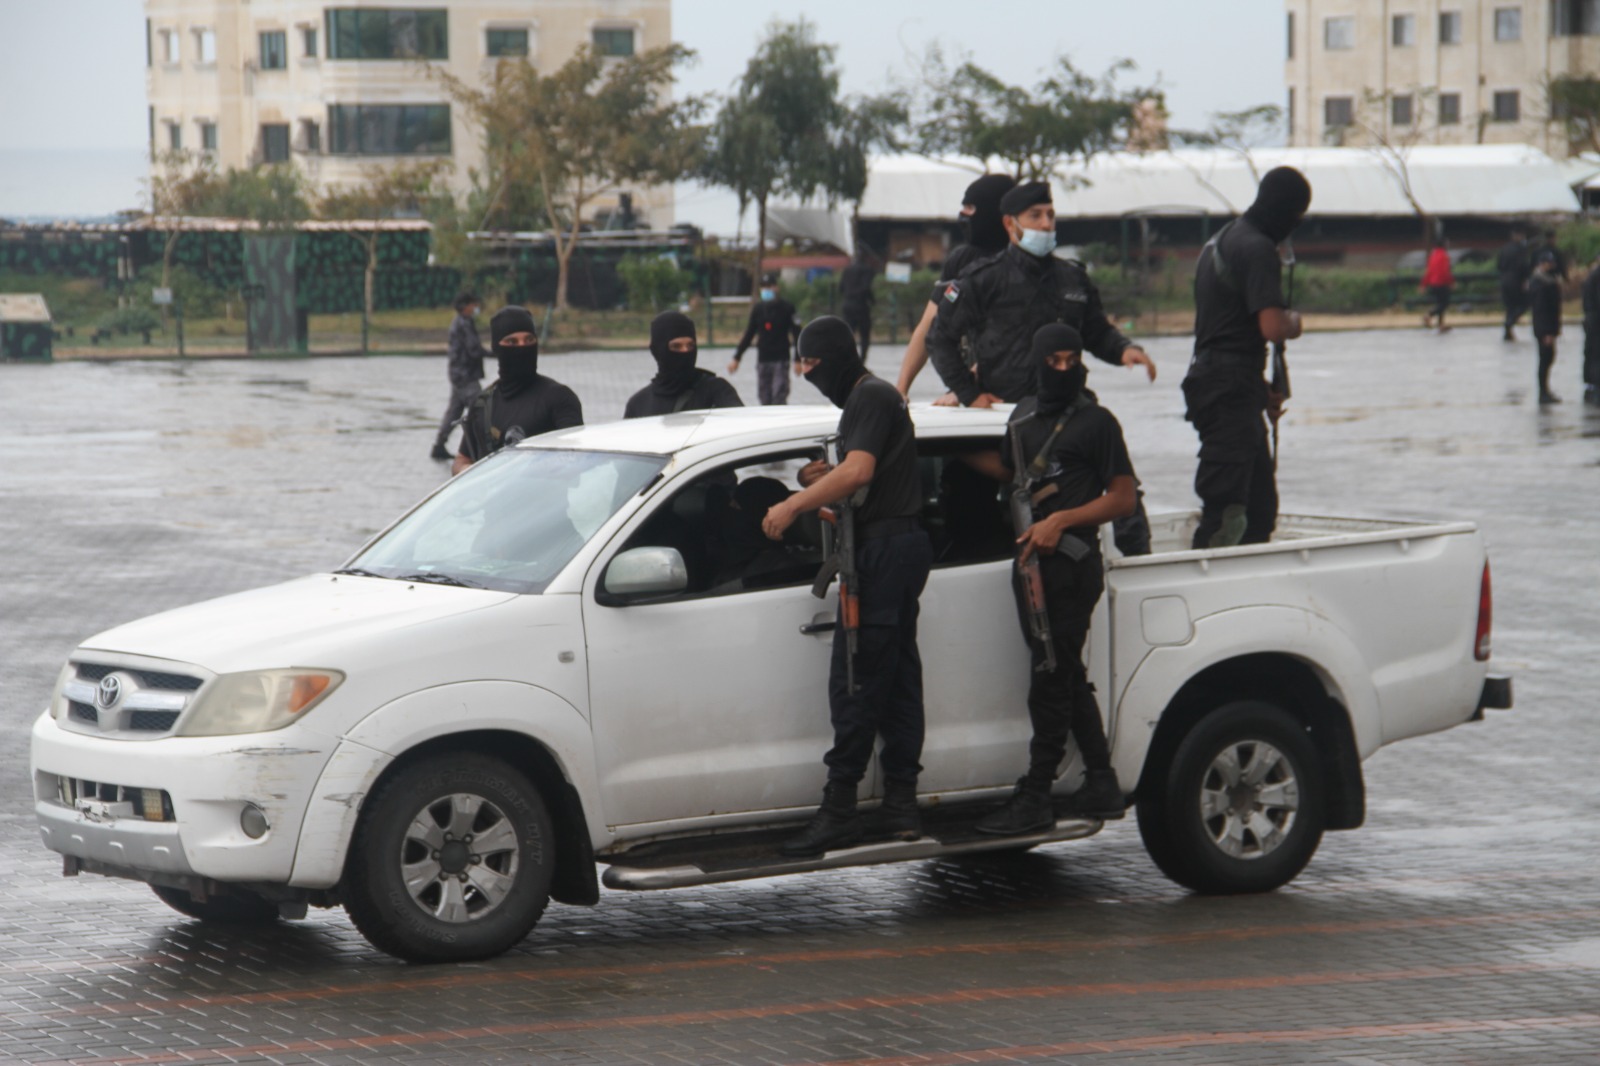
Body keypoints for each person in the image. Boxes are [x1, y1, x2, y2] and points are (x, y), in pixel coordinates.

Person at [760, 316, 934, 857]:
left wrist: (793, 503)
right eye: (801, 365)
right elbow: (862, 483)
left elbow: (858, 473)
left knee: (857, 678)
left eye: (812, 363)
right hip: (888, 546)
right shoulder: (866, 401)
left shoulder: (872, 397)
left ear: (836, 356)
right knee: (898, 677)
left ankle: (840, 810)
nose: (808, 373)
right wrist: (822, 485)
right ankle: (901, 807)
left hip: (885, 555)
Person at [959, 324, 1137, 832]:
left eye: (1072, 360)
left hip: (1072, 568)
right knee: (1063, 673)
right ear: (1037, 364)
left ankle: (1036, 793)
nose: (1064, 369)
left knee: (1049, 679)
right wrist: (944, 441)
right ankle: (1101, 781)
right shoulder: (1022, 416)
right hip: (1033, 566)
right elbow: (1009, 470)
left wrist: (1062, 520)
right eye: (1053, 361)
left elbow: (1123, 498)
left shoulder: (1097, 422)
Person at [926, 180, 1157, 409]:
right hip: (1004, 410)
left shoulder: (1073, 278)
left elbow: (1096, 332)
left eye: (1050, 215)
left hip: (1066, 408)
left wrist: (1125, 349)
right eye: (1035, 216)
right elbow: (939, 339)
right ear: (1010, 223)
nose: (1046, 224)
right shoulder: (982, 279)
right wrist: (970, 394)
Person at [1182, 166, 1311, 550]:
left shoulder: (1222, 239)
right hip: (1227, 392)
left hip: (1229, 385)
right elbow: (1271, 326)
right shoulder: (1256, 248)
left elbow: (1229, 329)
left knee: (1258, 510)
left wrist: (1260, 389)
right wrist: (1295, 321)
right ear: (1291, 212)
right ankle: (1204, 589)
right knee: (1227, 513)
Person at [895, 173, 1017, 402]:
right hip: (969, 387)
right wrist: (901, 388)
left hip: (1011, 389)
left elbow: (1014, 340)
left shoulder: (1019, 261)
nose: (963, 216)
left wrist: (962, 392)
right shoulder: (961, 259)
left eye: (971, 208)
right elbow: (928, 324)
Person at [453, 306, 583, 474]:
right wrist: (472, 472)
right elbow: (462, 459)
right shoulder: (483, 403)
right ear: (497, 348)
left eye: (529, 340)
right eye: (512, 342)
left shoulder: (559, 398)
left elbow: (576, 462)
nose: (522, 348)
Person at [624, 311, 742, 418]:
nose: (685, 352)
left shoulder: (717, 391)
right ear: (657, 350)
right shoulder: (638, 404)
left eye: (690, 345)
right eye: (676, 346)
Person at [727, 276, 801, 405]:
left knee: (779, 395)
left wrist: (798, 359)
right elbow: (749, 334)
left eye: (769, 286)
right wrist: (737, 357)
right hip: (763, 359)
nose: (766, 290)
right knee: (764, 398)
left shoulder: (788, 308)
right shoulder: (758, 309)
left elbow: (797, 334)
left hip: (781, 358)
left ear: (776, 287)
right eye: (764, 287)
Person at [432, 293, 487, 460]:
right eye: (473, 304)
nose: (476, 307)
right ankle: (481, 448)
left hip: (458, 374)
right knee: (481, 409)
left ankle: (439, 446)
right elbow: (473, 349)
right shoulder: (464, 324)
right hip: (466, 375)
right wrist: (496, 352)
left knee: (454, 412)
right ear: (466, 306)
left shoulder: (459, 322)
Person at [1528, 250, 1564, 405]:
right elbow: (1541, 309)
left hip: (1549, 326)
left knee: (1549, 357)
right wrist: (1546, 332)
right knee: (1545, 358)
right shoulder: (1540, 283)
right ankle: (1543, 392)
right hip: (1544, 328)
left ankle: (1545, 390)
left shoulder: (1548, 281)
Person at [838, 251, 877, 363]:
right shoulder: (867, 270)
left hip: (847, 304)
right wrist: (872, 300)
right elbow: (866, 288)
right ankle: (862, 359)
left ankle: (847, 358)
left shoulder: (847, 270)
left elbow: (841, 288)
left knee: (848, 333)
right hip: (861, 305)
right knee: (864, 334)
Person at [1497, 228, 1532, 342]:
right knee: (1524, 304)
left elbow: (1499, 265)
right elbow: (1524, 266)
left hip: (1504, 280)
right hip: (1516, 281)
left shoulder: (1504, 248)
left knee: (1509, 306)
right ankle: (1509, 323)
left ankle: (1508, 331)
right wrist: (1525, 279)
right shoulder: (1520, 250)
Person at [1420, 244, 1454, 333]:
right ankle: (1429, 315)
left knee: (1440, 303)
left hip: (1433, 284)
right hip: (1442, 283)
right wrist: (1450, 282)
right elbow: (1446, 271)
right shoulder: (1445, 256)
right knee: (1444, 304)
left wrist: (1423, 284)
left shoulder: (1432, 256)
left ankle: (1441, 325)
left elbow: (1428, 271)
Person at [1583, 254, 1600, 406]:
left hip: (1591, 321)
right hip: (1595, 323)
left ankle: (1590, 388)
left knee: (1591, 355)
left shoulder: (1591, 276)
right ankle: (1595, 390)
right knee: (1596, 356)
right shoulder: (1596, 277)